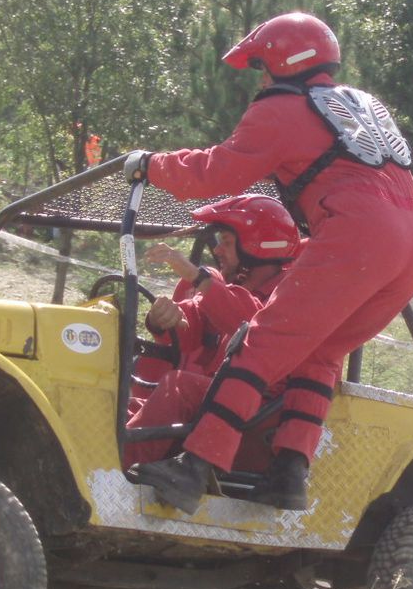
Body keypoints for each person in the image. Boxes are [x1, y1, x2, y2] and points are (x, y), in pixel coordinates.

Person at [123, 11, 413, 513]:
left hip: (359, 233)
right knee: (320, 354)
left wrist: (150, 164)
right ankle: (288, 475)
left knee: (259, 344)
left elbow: (213, 173)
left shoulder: (285, 107)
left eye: (263, 67)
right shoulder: (360, 108)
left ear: (287, 61)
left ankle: (194, 467)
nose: (262, 80)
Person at [124, 193, 300, 472]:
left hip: (261, 415)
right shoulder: (233, 289)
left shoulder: (291, 290)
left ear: (258, 247)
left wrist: (198, 277)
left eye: (227, 243)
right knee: (123, 403)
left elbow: (252, 322)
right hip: (224, 403)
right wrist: (165, 319)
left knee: (179, 386)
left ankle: (112, 468)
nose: (218, 251)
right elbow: (195, 319)